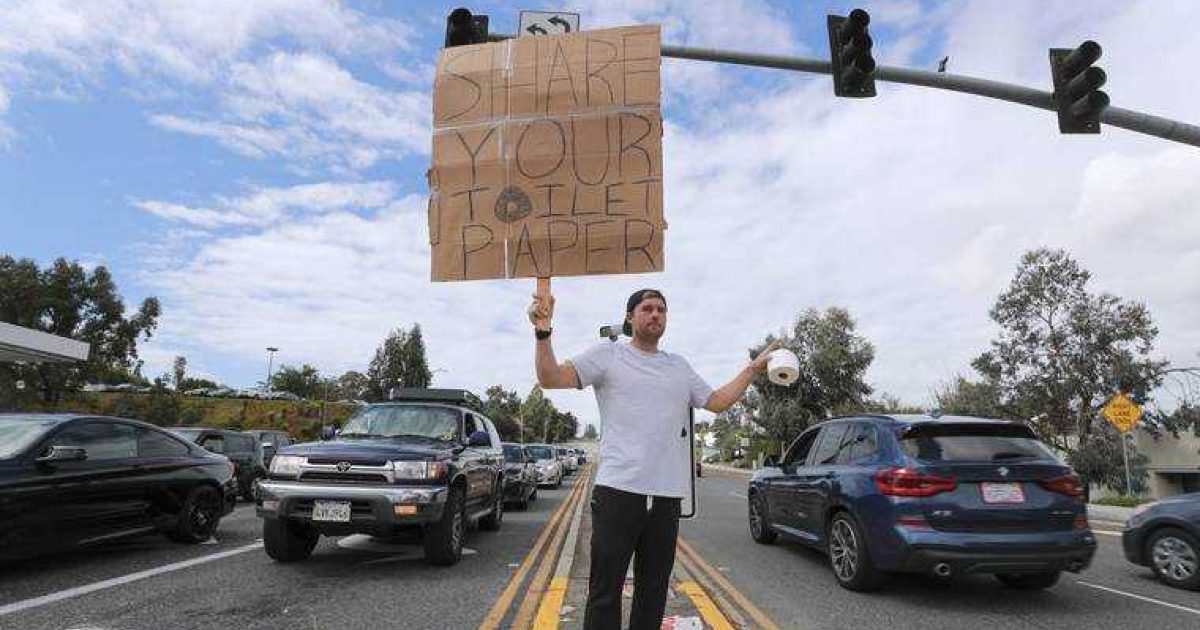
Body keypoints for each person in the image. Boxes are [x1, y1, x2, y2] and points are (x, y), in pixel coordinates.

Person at [529, 287, 779, 630]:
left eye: (661, 309)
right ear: (630, 317)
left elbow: (718, 401)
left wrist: (752, 369)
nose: (655, 315)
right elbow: (549, 378)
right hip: (618, 492)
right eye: (647, 308)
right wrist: (543, 331)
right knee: (605, 592)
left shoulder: (678, 367)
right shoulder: (609, 355)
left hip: (665, 498)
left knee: (653, 593)